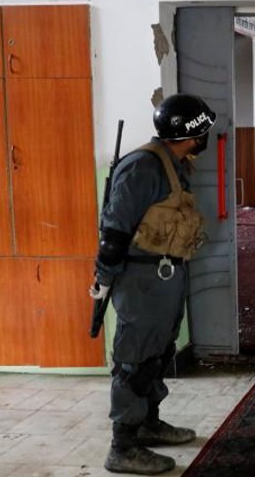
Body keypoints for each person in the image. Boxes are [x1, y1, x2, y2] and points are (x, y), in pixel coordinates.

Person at [89, 93, 217, 475]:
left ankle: (148, 423)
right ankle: (123, 445)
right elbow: (114, 230)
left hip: (165, 275)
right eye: (202, 131)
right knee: (135, 359)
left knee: (158, 354)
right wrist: (103, 276)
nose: (205, 137)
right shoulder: (143, 167)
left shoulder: (174, 164)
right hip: (142, 279)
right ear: (190, 133)